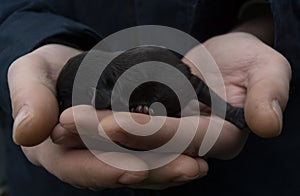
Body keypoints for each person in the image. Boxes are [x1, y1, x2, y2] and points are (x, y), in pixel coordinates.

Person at [0, 0, 296, 195]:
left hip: (257, 173)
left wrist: (265, 21)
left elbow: (105, 97)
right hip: (49, 184)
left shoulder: (96, 83)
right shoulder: (86, 77)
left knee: (188, 95)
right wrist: (28, 42)